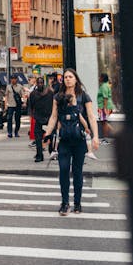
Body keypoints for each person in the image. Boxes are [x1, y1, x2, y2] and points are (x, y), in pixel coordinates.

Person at [43, 68, 99, 215]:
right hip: (64, 140)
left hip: (79, 140)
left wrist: (95, 136)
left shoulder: (83, 96)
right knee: (63, 170)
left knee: (77, 171)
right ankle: (64, 202)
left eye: (70, 77)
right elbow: (53, 117)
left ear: (75, 79)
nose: (68, 79)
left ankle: (78, 203)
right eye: (66, 77)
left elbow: (91, 117)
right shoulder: (58, 97)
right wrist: (47, 134)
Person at [28, 77, 53, 162]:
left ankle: (52, 152)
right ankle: (39, 154)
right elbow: (31, 106)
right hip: (38, 118)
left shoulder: (50, 93)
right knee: (38, 138)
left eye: (41, 83)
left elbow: (54, 105)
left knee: (50, 137)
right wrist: (32, 116)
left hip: (48, 118)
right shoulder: (33, 94)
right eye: (38, 83)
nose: (40, 84)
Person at [97, 72, 114, 143]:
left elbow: (105, 98)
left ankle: (105, 139)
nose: (98, 78)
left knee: (104, 122)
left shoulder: (104, 86)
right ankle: (115, 133)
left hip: (104, 107)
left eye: (100, 77)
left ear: (102, 78)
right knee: (104, 122)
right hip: (104, 106)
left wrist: (105, 108)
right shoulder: (105, 85)